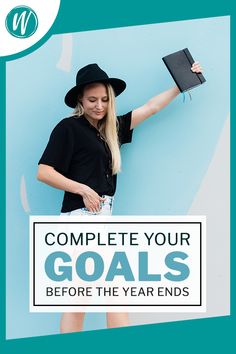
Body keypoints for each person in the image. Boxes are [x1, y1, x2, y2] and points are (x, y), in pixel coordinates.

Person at [37, 61, 203, 333]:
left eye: (104, 99)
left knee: (83, 300)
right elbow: (43, 171)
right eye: (92, 100)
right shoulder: (68, 128)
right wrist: (83, 189)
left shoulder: (111, 128)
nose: (99, 106)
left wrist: (183, 80)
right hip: (80, 220)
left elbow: (152, 107)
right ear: (80, 99)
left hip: (100, 219)